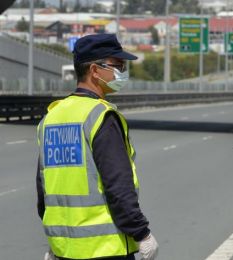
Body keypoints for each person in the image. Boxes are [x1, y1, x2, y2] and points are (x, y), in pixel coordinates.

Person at [36, 34, 159, 260]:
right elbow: (118, 185)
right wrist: (142, 233)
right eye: (117, 65)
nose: (122, 71)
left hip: (65, 249)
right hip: (105, 249)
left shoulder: (52, 117)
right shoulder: (101, 116)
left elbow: (44, 190)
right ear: (94, 70)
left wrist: (55, 244)